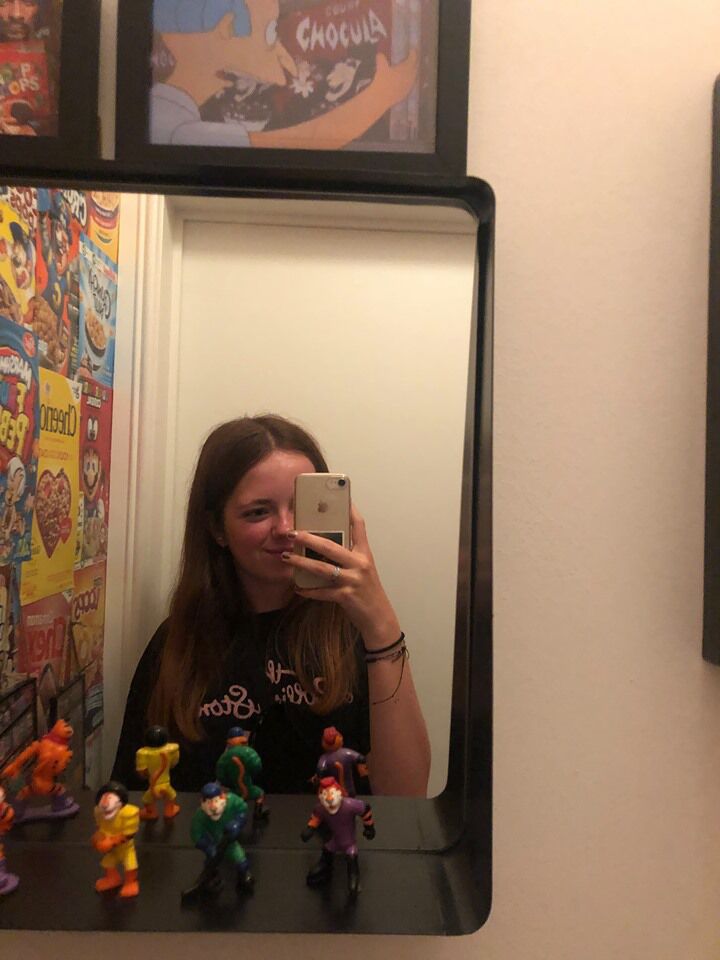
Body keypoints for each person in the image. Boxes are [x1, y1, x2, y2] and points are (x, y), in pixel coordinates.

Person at [113, 414, 430, 797]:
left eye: (302, 508)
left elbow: (406, 793)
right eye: (258, 512)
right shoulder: (177, 643)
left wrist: (382, 625)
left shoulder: (355, 634)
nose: (285, 528)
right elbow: (135, 792)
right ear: (217, 529)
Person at [150, 0, 417, 149]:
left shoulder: (161, 113)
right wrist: (378, 99)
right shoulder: (178, 134)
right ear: (227, 28)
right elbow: (302, 141)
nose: (281, 52)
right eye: (270, 32)